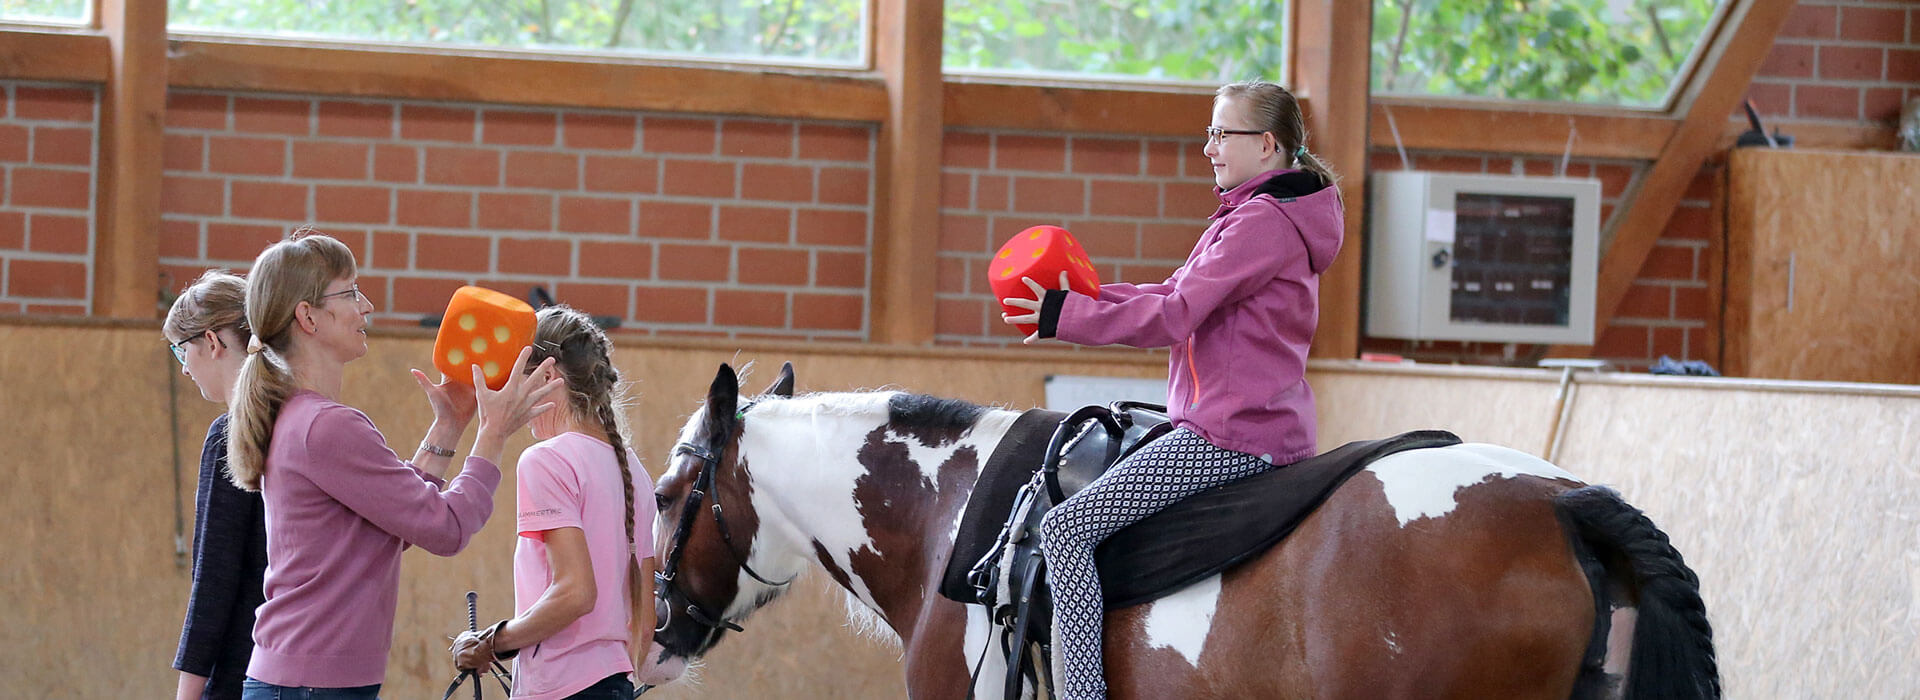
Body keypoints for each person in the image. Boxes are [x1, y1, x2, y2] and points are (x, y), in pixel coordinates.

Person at [999, 79, 1344, 699]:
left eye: (1221, 133)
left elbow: (1176, 313)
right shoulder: (1257, 215)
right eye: (1208, 132)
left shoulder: (1261, 223)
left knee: (1065, 529)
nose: (1208, 148)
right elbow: (1171, 290)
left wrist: (1067, 319)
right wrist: (1078, 302)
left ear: (1266, 144)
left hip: (1230, 435)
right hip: (1247, 423)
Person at [226, 230, 562, 699]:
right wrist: (493, 433)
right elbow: (446, 529)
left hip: (305, 681)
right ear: (308, 316)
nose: (366, 308)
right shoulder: (327, 427)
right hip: (310, 686)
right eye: (350, 293)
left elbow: (394, 523)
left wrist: (449, 426)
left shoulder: (306, 419)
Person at [447, 304, 658, 700]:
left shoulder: (546, 459)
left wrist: (492, 643)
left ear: (547, 376)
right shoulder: (633, 471)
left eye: (519, 381)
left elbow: (576, 593)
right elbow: (644, 624)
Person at [166, 270, 268, 700]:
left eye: (181, 350)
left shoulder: (232, 434)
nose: (185, 368)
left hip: (239, 667)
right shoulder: (304, 419)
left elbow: (214, 577)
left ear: (211, 342)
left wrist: (188, 691)